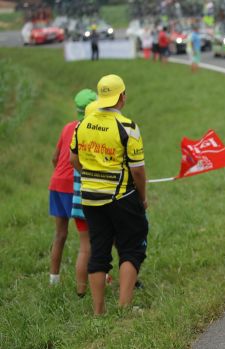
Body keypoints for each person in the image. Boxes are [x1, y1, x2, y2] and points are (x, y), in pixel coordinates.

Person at [70, 74, 149, 315]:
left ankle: (98, 311)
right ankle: (124, 308)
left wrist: (92, 175)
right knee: (132, 248)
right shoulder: (128, 127)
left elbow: (74, 160)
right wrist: (142, 197)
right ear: (122, 97)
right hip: (122, 197)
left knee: (100, 250)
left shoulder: (82, 125)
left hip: (90, 199)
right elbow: (138, 172)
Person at [48, 89, 95, 288]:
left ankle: (54, 280)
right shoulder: (91, 130)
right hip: (74, 188)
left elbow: (55, 157)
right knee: (89, 239)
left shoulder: (68, 127)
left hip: (55, 184)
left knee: (60, 234)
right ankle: (92, 279)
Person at [71, 89, 98, 297]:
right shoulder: (94, 130)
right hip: (96, 198)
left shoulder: (76, 130)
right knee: (103, 244)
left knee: (84, 248)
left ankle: (81, 290)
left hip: (78, 200)